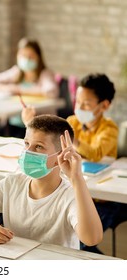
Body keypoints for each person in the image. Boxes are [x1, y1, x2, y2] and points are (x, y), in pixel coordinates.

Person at [0, 115, 103, 249]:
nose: (28, 152)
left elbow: (92, 239)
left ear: (60, 157)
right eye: (26, 144)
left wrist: (77, 179)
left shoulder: (70, 194)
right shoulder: (12, 183)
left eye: (38, 146)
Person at [21, 73, 121, 254]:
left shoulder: (110, 128)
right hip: (73, 193)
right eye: (78, 102)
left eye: (86, 104)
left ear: (104, 105)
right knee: (56, 231)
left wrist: (67, 138)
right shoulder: (72, 121)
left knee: (81, 239)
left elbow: (95, 153)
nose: (79, 107)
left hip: (102, 200)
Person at [0, 37, 58, 138]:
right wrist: (9, 88)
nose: (26, 59)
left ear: (38, 57)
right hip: (12, 124)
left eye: (31, 56)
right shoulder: (16, 72)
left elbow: (51, 91)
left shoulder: (45, 74)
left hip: (36, 129)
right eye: (23, 55)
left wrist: (19, 90)